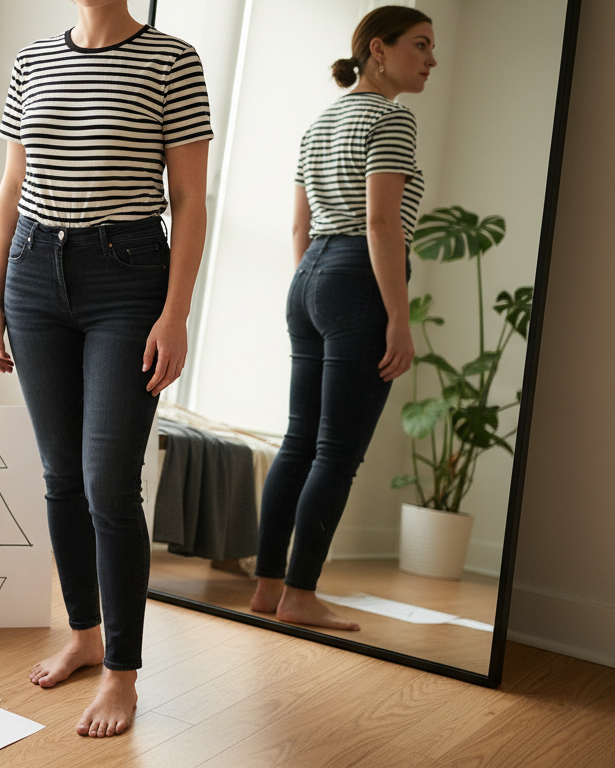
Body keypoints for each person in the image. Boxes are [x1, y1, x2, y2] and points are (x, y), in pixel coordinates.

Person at [0, 0, 211, 738]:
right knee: (59, 476)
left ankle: (122, 671)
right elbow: (12, 186)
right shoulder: (31, 60)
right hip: (33, 275)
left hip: (128, 277)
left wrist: (174, 314)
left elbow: (191, 200)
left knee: (109, 480)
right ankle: (83, 632)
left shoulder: (173, 60)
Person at [250, 6, 437, 631]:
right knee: (336, 451)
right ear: (377, 50)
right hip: (359, 276)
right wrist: (397, 318)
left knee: (299, 441)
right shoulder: (391, 118)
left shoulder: (319, 122)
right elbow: (383, 224)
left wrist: (315, 286)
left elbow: (300, 227)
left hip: (310, 279)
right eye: (420, 45)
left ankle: (268, 585)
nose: (431, 60)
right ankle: (300, 596)